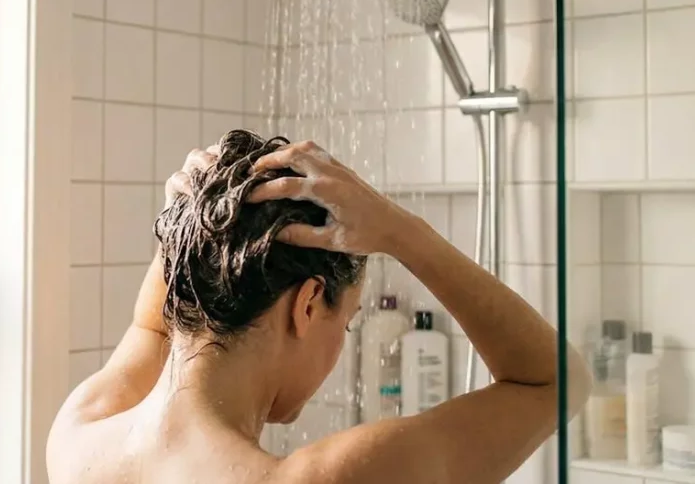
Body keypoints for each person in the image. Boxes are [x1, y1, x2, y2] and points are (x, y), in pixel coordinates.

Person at [47, 130, 591, 484]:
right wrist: (402, 231)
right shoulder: (333, 478)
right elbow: (553, 382)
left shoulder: (80, 436)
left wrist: (199, 214)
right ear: (307, 305)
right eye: (348, 322)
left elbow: (151, 325)